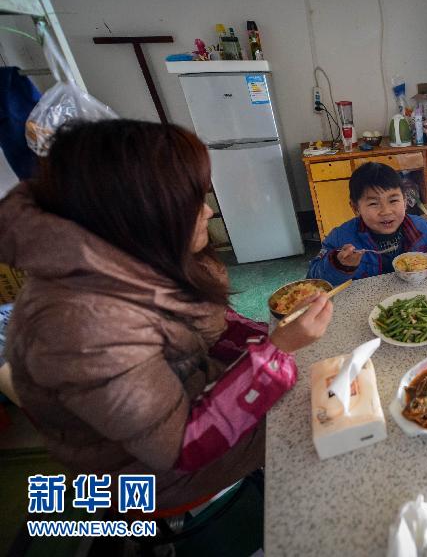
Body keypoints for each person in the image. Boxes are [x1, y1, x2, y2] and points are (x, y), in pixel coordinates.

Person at [0, 120, 334, 510]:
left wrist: (277, 335)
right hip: (150, 474)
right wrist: (275, 352)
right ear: (143, 212)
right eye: (194, 201)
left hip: (182, 402)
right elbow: (182, 447)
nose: (208, 212)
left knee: (319, 388)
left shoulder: (127, 255)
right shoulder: (81, 327)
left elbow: (213, 327)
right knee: (319, 421)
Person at [308, 162, 427, 284]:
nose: (386, 211)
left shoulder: (422, 227)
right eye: (373, 203)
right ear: (355, 208)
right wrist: (339, 265)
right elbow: (313, 278)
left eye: (393, 201)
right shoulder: (341, 238)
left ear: (405, 201)